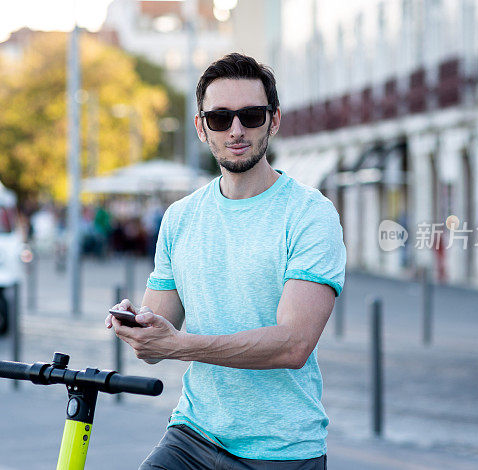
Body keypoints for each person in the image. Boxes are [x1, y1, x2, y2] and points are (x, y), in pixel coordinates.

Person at [105, 52, 346, 469]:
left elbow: (293, 345)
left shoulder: (310, 214)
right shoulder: (180, 217)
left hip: (280, 450)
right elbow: (156, 342)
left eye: (251, 115)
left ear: (274, 120)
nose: (236, 130)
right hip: (193, 434)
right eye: (219, 118)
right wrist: (139, 327)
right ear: (201, 127)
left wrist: (179, 345)